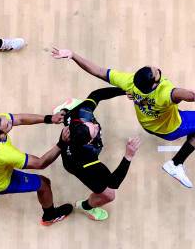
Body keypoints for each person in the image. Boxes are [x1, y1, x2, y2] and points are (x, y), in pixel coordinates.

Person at [51, 47, 195, 189]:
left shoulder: (130, 82)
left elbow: (98, 71)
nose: (157, 69)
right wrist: (194, 95)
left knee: (177, 112)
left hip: (147, 123)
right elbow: (179, 94)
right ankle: (175, 164)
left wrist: (73, 55)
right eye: (157, 73)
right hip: (170, 128)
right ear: (154, 85)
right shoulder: (165, 93)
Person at [0, 112, 73, 225]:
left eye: (5, 119)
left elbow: (20, 119)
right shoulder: (4, 153)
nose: (10, 122)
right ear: (1, 136)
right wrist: (62, 143)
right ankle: (50, 215)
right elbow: (40, 163)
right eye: (8, 125)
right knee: (44, 183)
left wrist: (50, 118)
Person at [53, 87, 140, 221]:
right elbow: (113, 182)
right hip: (75, 165)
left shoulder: (82, 115)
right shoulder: (88, 159)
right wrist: (128, 155)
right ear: (89, 141)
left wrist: (123, 90)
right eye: (94, 130)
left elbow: (96, 94)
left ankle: (66, 111)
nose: (96, 126)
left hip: (72, 124)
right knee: (109, 195)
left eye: (90, 124)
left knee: (77, 110)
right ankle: (85, 207)